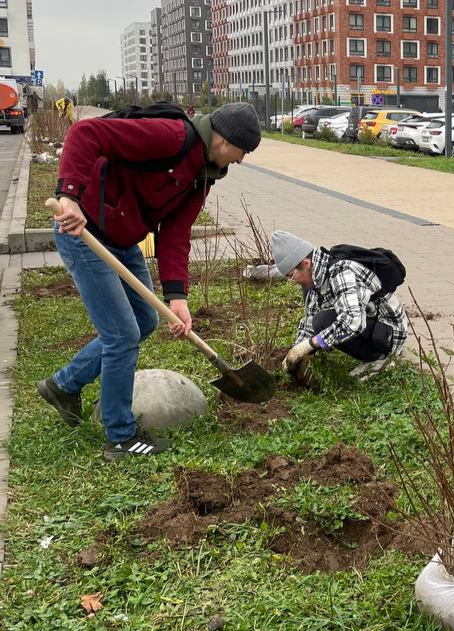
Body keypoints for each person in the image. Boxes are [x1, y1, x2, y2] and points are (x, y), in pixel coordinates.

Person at [37, 102, 262, 460]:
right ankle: (121, 437)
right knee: (121, 334)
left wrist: (178, 297)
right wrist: (69, 197)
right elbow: (84, 134)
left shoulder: (203, 175)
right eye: (243, 150)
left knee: (145, 320)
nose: (242, 159)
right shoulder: (170, 137)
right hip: (85, 232)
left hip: (123, 240)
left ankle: (63, 385)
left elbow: (176, 233)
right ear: (226, 139)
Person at [272, 230, 409, 380]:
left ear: (306, 263)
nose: (293, 281)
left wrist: (310, 344)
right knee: (319, 322)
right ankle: (373, 353)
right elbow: (310, 321)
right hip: (372, 324)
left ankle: (380, 358)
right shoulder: (314, 278)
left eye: (292, 275)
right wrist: (296, 350)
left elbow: (352, 322)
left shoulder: (342, 272)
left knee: (323, 321)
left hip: (390, 333)